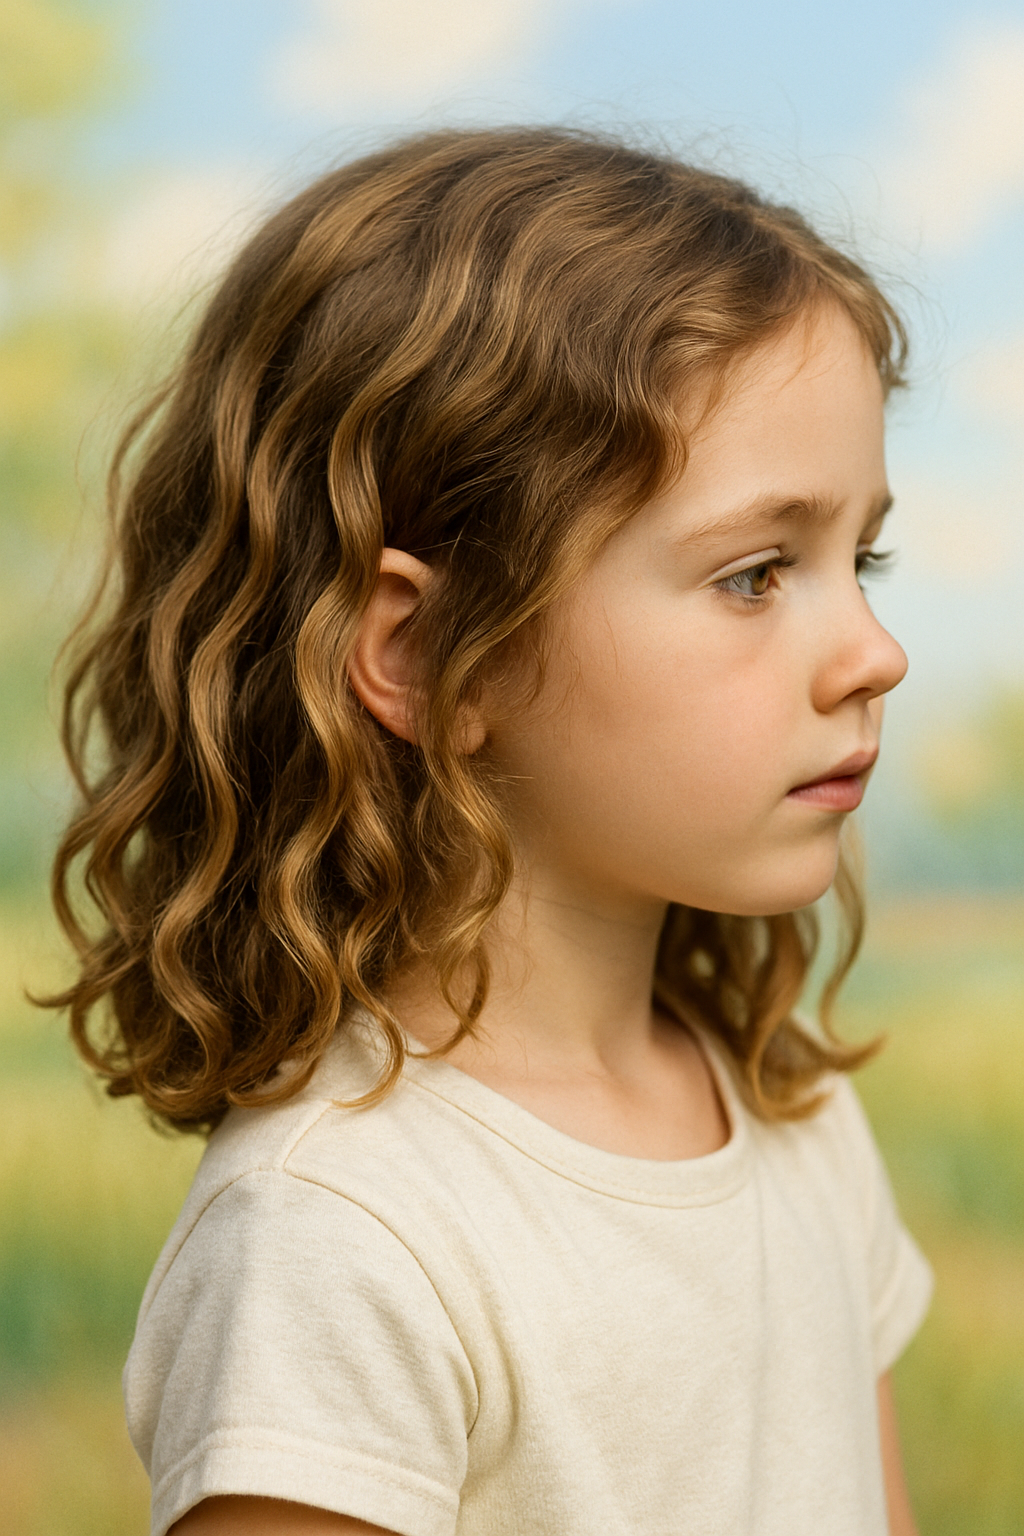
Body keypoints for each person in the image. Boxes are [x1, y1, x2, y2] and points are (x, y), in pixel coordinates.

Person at [46, 127, 932, 1536]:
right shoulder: (338, 1241)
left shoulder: (795, 1115)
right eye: (759, 573)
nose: (874, 652)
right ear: (425, 648)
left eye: (858, 559)